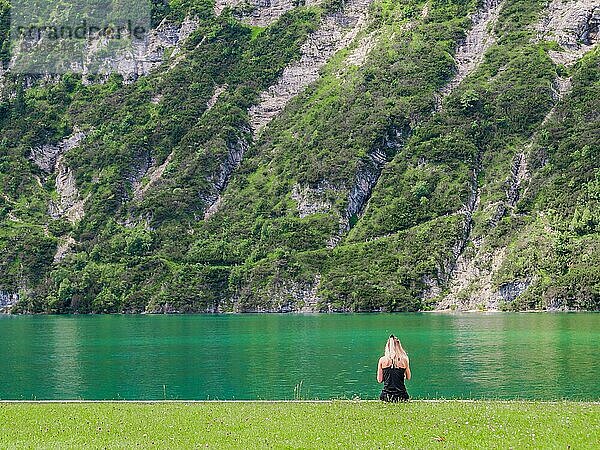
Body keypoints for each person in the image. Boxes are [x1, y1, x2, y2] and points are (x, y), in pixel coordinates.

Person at [377, 334, 411, 402]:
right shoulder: (404, 360)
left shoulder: (382, 360)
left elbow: (379, 380)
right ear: (399, 346)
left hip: (386, 396)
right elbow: (408, 377)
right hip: (402, 396)